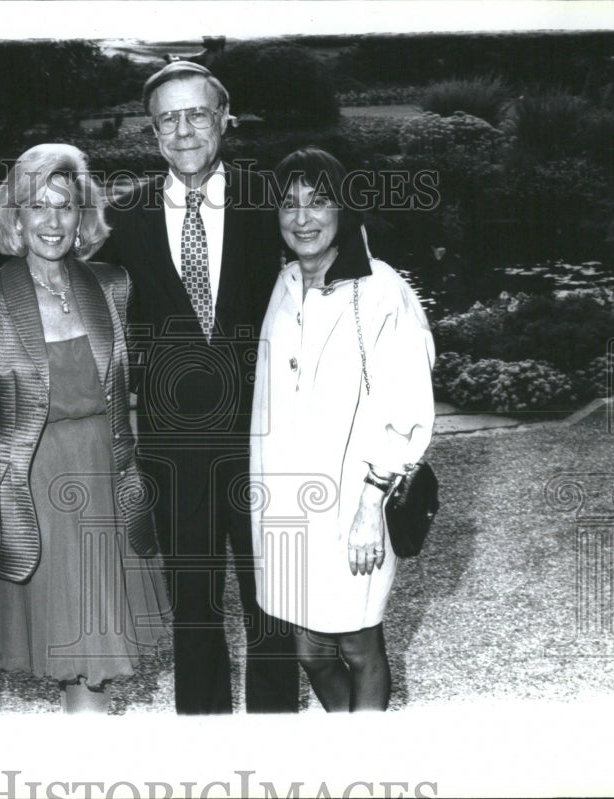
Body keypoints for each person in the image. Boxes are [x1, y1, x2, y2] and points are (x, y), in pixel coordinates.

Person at [96, 61, 299, 714]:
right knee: (194, 605)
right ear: (152, 132)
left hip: (265, 438)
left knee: (274, 600)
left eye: (198, 114)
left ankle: (279, 741)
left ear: (224, 119)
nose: (184, 130)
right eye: (168, 119)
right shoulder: (122, 219)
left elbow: (331, 276)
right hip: (173, 446)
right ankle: (204, 738)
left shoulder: (271, 200)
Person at [0, 143, 170, 713]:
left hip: (109, 480)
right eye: (38, 206)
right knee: (82, 662)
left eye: (66, 207)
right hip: (38, 490)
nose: (53, 222)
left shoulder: (111, 285)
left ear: (83, 216)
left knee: (97, 669)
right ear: (15, 215)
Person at [249, 148, 435, 711]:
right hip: (286, 507)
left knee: (356, 643)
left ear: (345, 210)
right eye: (289, 203)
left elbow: (407, 404)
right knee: (309, 650)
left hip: (355, 505)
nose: (302, 217)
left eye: (318, 201)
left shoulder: (380, 291)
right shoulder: (283, 284)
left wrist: (370, 508)